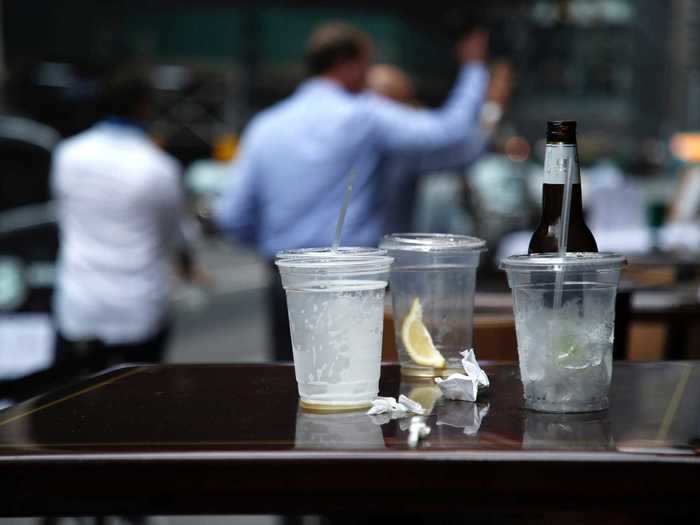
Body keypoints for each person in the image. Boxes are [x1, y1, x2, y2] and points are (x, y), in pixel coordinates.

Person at [215, 22, 490, 361]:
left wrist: (277, 247)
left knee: (291, 381)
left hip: (286, 278)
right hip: (353, 278)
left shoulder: (265, 125)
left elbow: (231, 215)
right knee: (356, 389)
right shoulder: (364, 116)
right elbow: (452, 132)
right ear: (351, 64)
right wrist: (474, 67)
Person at [51, 64, 197, 374]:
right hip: (138, 308)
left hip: (79, 306)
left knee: (68, 409)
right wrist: (187, 265)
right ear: (145, 105)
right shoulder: (158, 168)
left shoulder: (67, 155)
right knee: (138, 409)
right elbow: (176, 233)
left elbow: (62, 214)